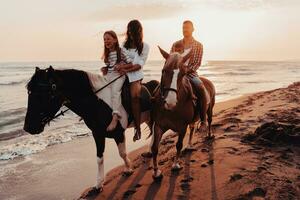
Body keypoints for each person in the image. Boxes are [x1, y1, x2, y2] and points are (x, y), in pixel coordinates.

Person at [170, 20, 210, 130]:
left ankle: (203, 120)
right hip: (176, 73)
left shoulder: (198, 45)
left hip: (190, 73)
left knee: (200, 88)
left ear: (193, 29)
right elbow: (170, 59)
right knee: (164, 86)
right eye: (183, 28)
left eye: (187, 28)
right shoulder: (175, 44)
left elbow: (197, 63)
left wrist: (186, 71)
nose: (185, 30)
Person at [115, 20, 150, 141]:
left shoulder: (145, 46)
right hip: (122, 74)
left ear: (138, 31)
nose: (130, 32)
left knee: (134, 97)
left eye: (132, 30)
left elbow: (139, 64)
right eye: (128, 30)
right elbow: (120, 60)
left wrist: (125, 68)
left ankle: (137, 129)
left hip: (136, 76)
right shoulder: (123, 45)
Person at [101, 30, 131, 131]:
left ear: (114, 40)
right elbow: (109, 67)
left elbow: (130, 64)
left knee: (115, 92)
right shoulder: (107, 53)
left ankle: (115, 116)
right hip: (109, 75)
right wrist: (105, 69)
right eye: (104, 39)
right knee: (100, 89)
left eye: (108, 39)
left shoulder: (121, 51)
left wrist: (122, 66)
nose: (106, 41)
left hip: (119, 76)